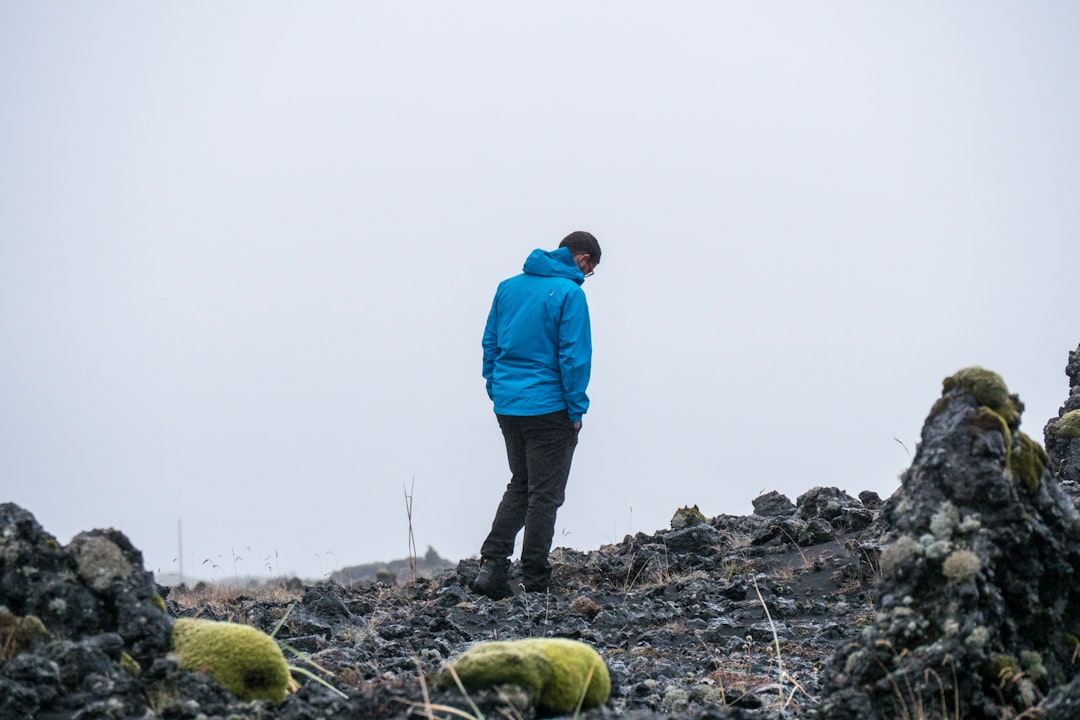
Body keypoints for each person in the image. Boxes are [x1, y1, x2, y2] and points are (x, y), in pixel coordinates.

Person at [472, 231, 601, 599]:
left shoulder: (508, 288)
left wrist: (497, 390)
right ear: (583, 260)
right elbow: (573, 356)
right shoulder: (570, 294)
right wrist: (576, 409)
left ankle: (492, 567)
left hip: (509, 405)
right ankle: (535, 578)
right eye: (590, 270)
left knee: (521, 483)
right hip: (550, 407)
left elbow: (490, 344)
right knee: (545, 494)